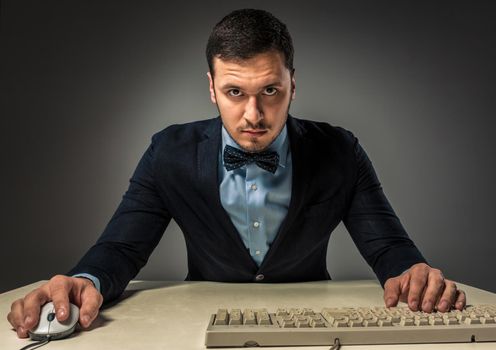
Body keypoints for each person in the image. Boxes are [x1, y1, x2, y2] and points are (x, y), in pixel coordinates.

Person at [7, 8, 466, 338]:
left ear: (292, 83)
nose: (254, 114)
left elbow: (388, 247)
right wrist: (83, 282)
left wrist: (413, 275)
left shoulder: (340, 150)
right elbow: (122, 247)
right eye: (233, 91)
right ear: (211, 88)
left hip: (312, 329)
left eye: (270, 90)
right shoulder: (169, 151)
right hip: (197, 327)